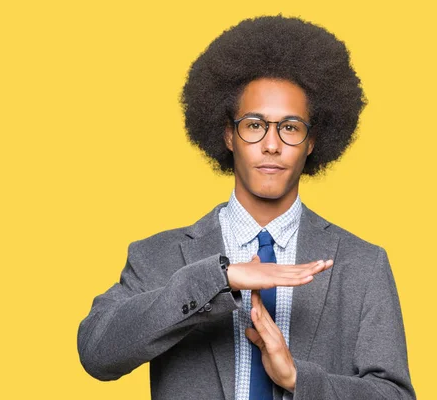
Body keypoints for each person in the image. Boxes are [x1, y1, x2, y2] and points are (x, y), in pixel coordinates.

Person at [77, 15, 415, 400]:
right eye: (254, 125)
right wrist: (217, 279)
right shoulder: (160, 257)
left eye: (290, 127)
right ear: (227, 135)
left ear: (312, 141)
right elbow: (96, 353)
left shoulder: (362, 265)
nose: (271, 144)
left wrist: (298, 379)